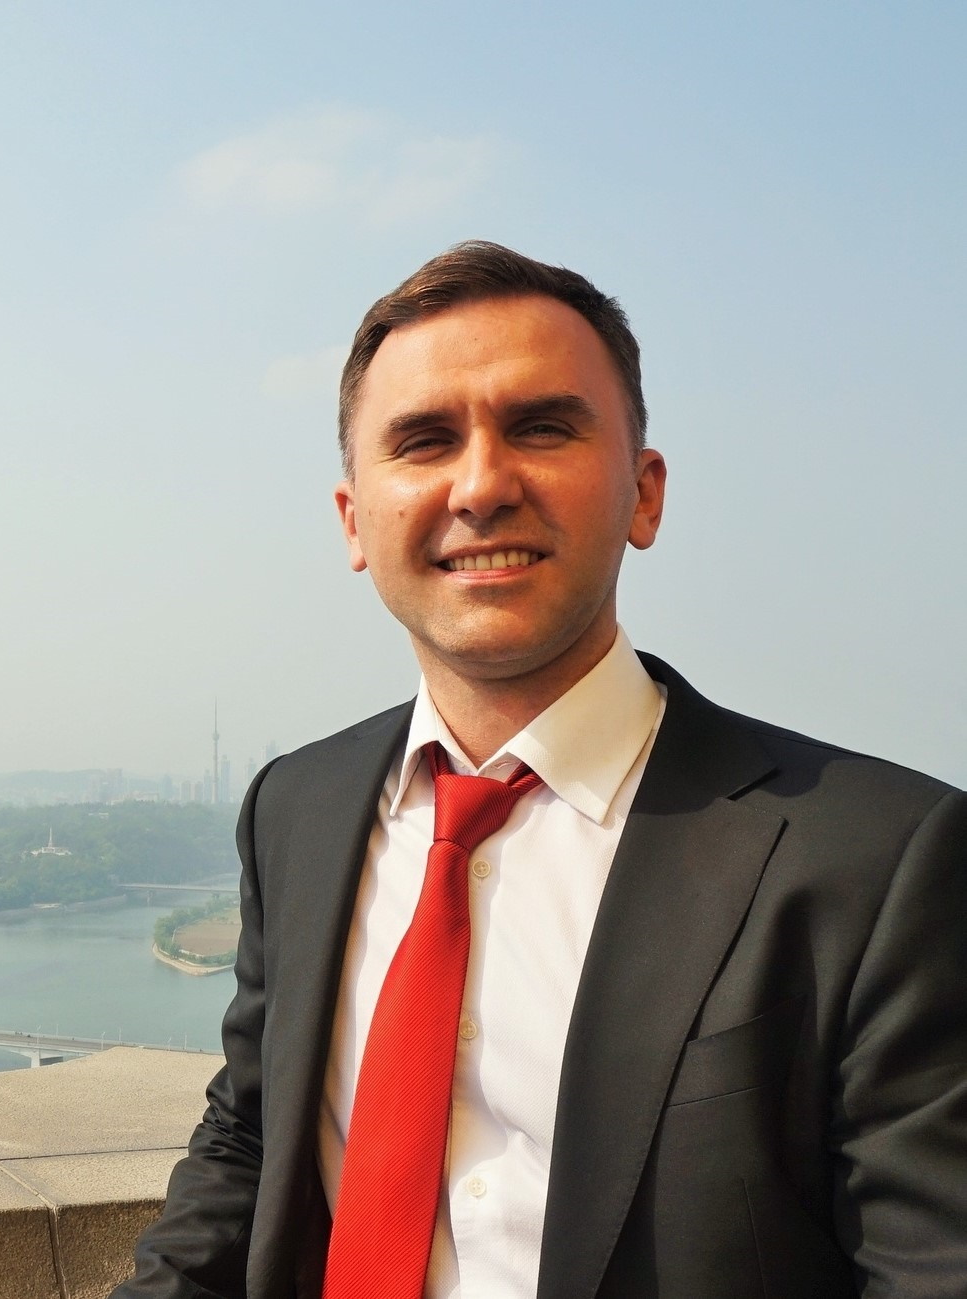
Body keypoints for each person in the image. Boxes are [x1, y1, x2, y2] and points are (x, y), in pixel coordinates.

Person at [114, 241, 967, 1299]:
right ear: (354, 522)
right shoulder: (296, 809)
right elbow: (250, 1137)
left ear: (643, 496)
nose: (481, 486)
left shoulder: (877, 862)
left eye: (542, 428)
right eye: (424, 441)